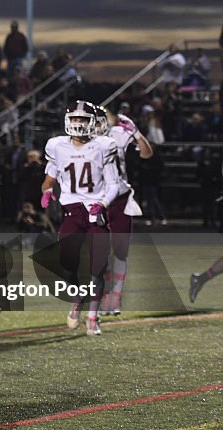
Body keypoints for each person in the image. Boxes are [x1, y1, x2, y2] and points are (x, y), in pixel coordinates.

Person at [40, 101, 123, 336]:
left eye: (83, 120)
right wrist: (46, 191)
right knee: (66, 263)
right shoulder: (56, 146)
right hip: (72, 212)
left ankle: (93, 317)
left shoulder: (103, 146)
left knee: (97, 266)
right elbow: (49, 178)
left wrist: (103, 203)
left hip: (96, 212)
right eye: (75, 119)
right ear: (68, 121)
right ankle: (76, 297)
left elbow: (114, 184)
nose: (78, 124)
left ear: (92, 123)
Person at [93, 106, 154, 316]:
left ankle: (115, 298)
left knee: (119, 252)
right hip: (94, 200)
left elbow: (147, 153)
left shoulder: (117, 134)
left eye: (102, 120)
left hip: (119, 198)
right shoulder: (79, 141)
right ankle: (105, 296)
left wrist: (136, 132)